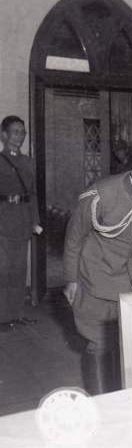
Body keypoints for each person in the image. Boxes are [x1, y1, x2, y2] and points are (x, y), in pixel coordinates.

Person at [63, 150, 132, 394]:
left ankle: (124, 401)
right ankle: (102, 404)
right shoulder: (101, 195)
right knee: (99, 343)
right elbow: (74, 238)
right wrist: (71, 279)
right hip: (99, 276)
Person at [0, 116, 42, 332]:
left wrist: (35, 220)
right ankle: (2, 317)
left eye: (22, 133)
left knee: (19, 270)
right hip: (3, 222)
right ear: (4, 135)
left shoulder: (28, 162)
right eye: (15, 132)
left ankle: (17, 314)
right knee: (4, 271)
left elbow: (32, 193)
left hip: (23, 221)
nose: (20, 137)